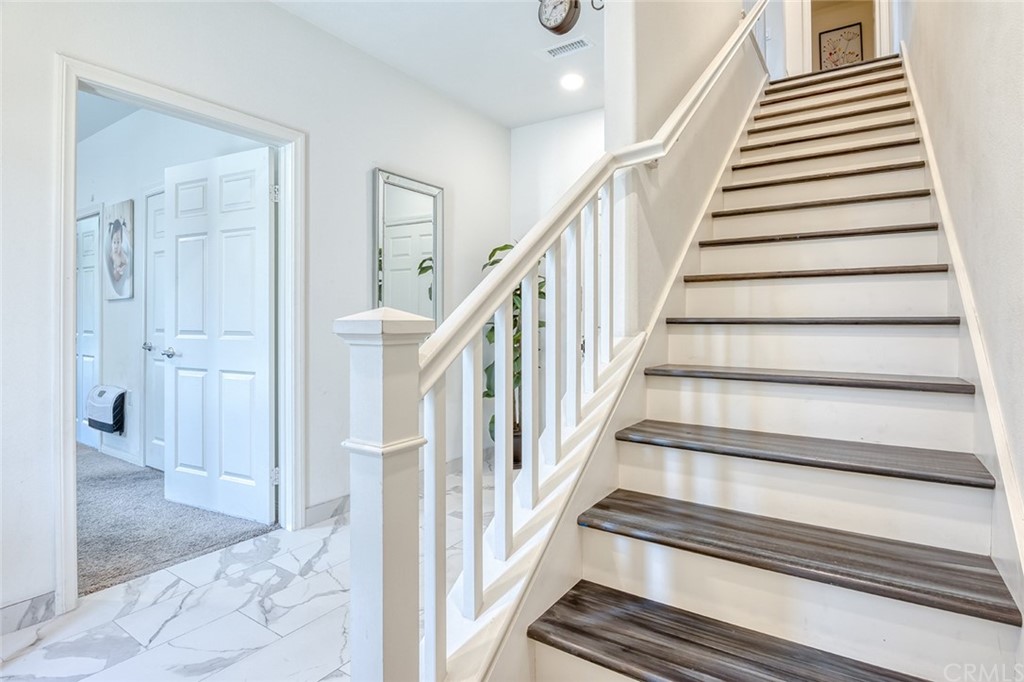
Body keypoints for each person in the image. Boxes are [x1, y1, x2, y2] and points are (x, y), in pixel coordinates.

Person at [106, 218, 131, 297]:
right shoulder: (112, 253)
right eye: (114, 242)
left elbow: (126, 261)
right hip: (116, 268)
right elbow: (110, 259)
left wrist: (122, 267)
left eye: (118, 242)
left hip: (121, 266)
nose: (116, 246)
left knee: (119, 272)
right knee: (115, 273)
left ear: (121, 242)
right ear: (111, 242)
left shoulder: (122, 254)